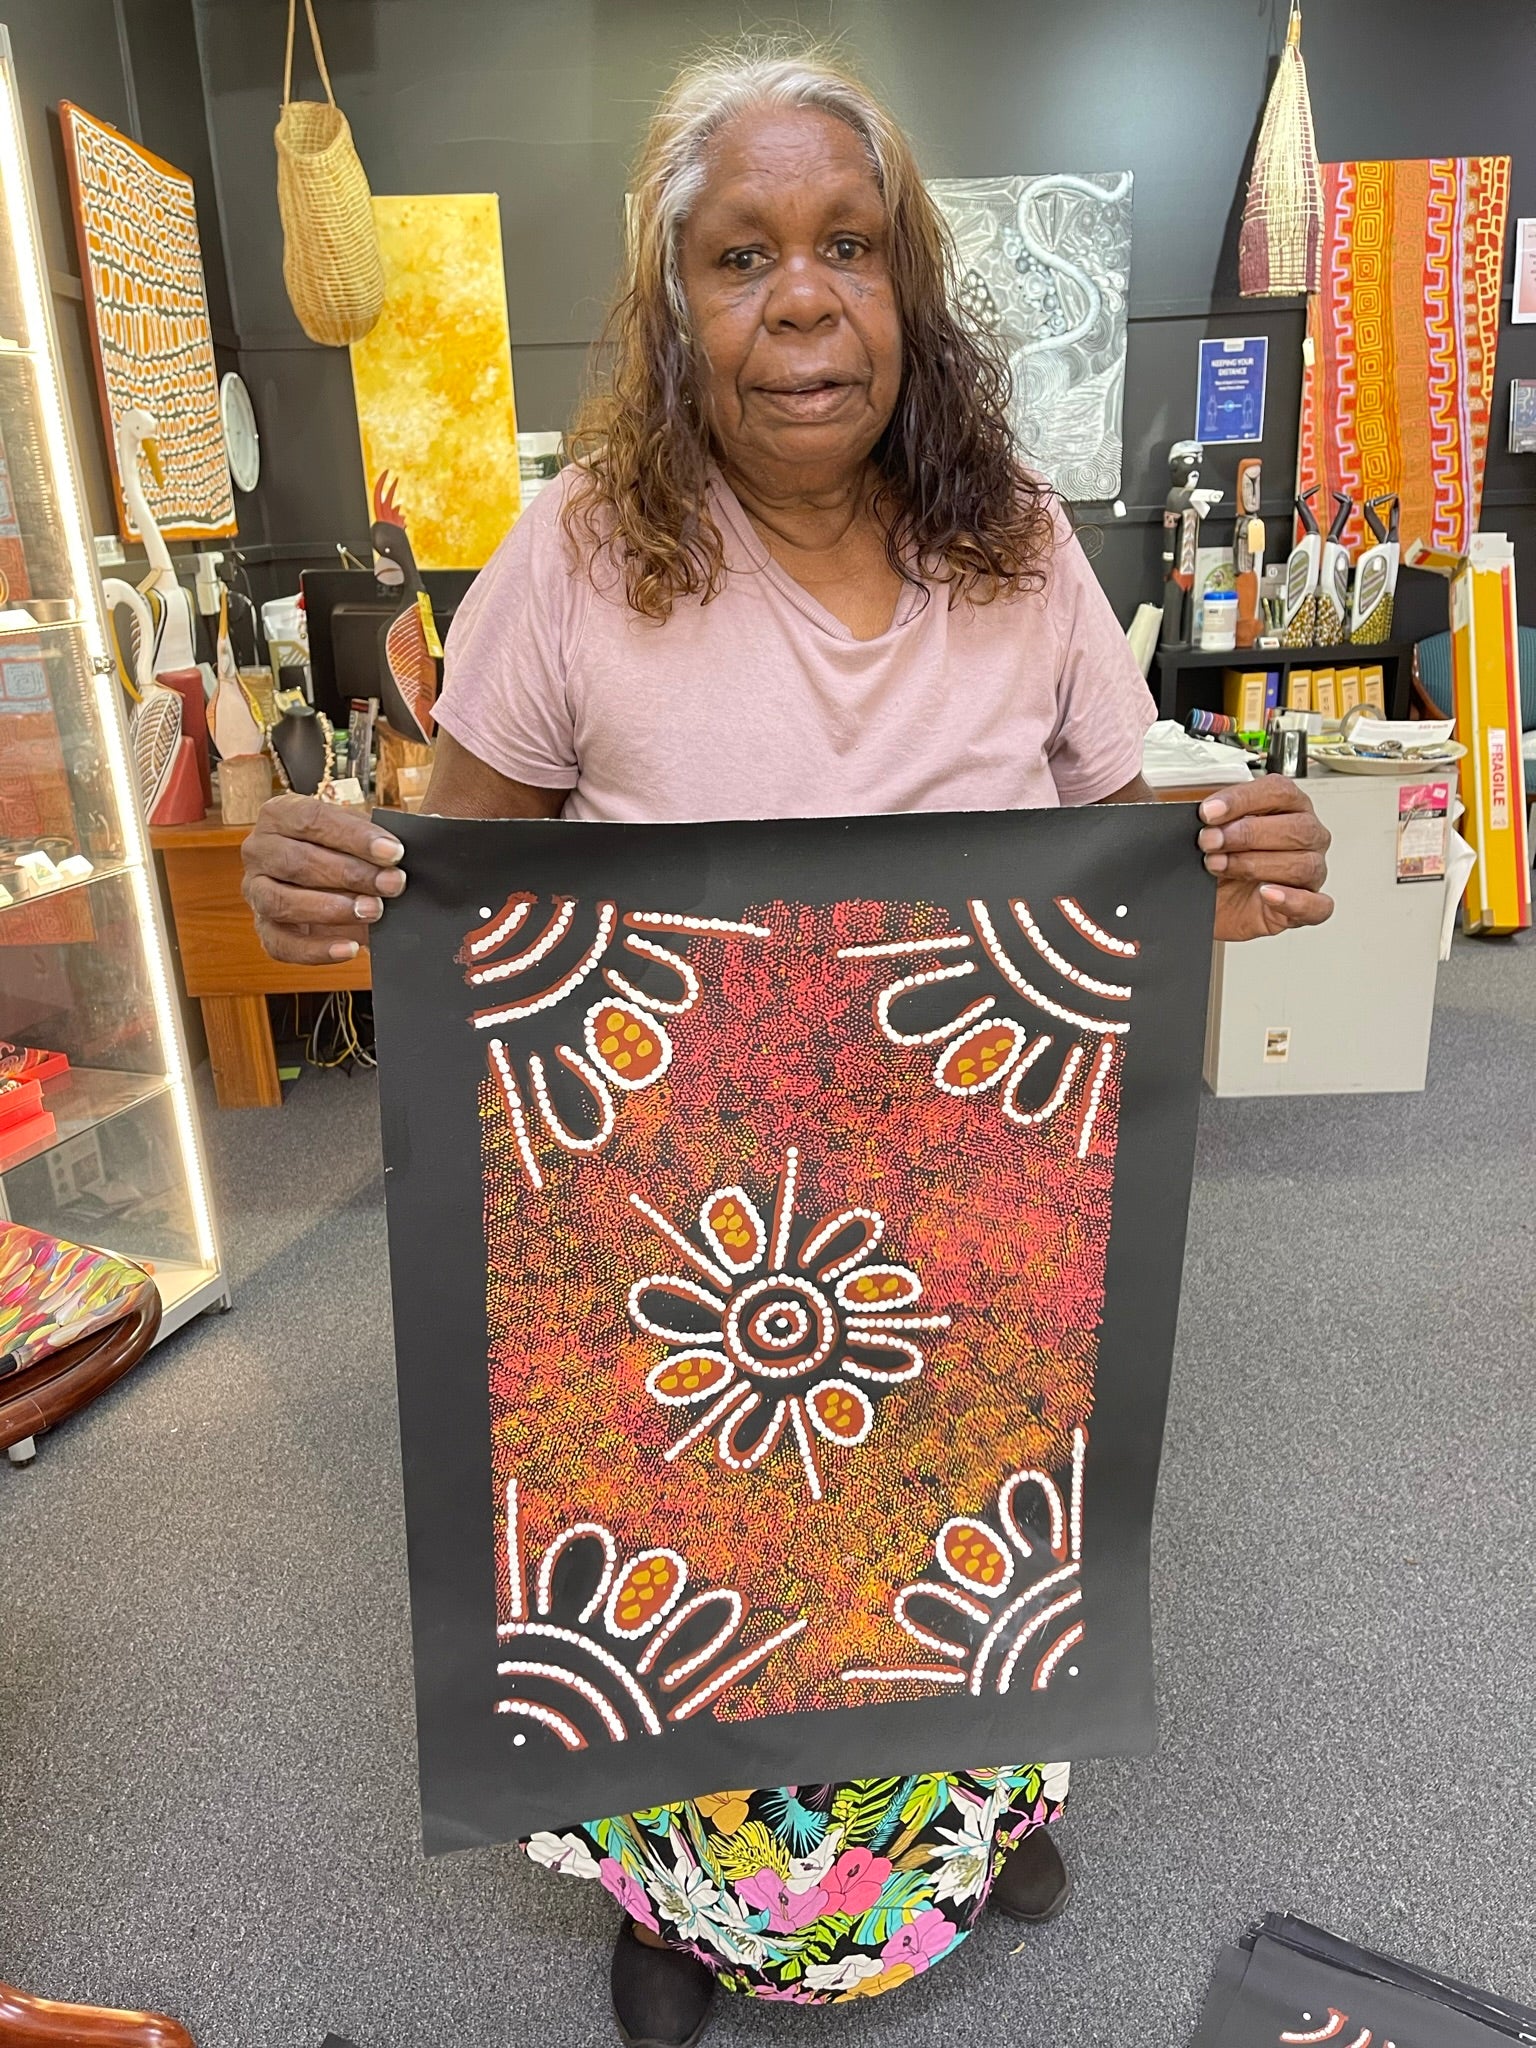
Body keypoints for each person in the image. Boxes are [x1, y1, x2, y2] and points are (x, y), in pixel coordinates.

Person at [243, 46, 1331, 2048]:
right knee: (701, 1549)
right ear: (674, 312)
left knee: (967, 1513)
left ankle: (975, 1809)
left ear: (908, 289)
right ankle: (682, 1904)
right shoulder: (574, 556)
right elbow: (451, 873)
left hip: (972, 1190)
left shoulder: (1007, 537)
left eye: (847, 246)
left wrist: (1231, 850)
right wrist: (324, 879)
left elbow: (1128, 816)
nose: (802, 299)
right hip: (673, 1208)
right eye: (741, 257)